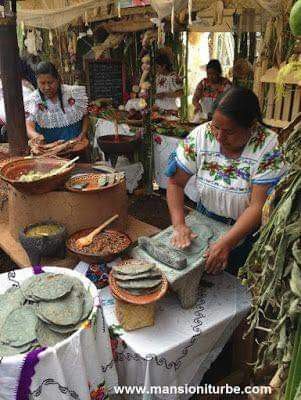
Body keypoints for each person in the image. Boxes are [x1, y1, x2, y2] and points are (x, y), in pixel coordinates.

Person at [166, 87, 286, 275]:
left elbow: (257, 206)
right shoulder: (202, 135)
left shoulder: (268, 146)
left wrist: (227, 242)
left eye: (229, 131)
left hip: (246, 233)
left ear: (252, 126)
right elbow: (175, 183)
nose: (220, 137)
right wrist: (179, 225)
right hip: (205, 220)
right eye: (215, 127)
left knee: (237, 283)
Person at [25, 61, 89, 144]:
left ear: (57, 79)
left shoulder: (73, 94)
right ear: (37, 81)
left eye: (50, 82)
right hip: (49, 150)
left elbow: (85, 115)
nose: (47, 87)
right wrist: (36, 136)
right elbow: (29, 126)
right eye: (42, 83)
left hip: (76, 145)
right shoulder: (34, 100)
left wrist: (83, 133)